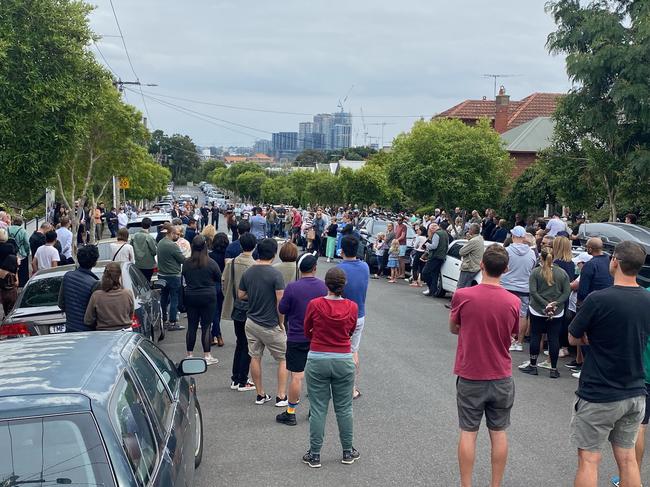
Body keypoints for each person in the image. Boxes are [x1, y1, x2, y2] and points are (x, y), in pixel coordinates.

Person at [568, 241, 650, 487]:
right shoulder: (647, 300)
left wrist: (589, 337)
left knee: (589, 458)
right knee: (627, 459)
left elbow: (573, 336)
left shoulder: (598, 299)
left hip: (599, 390)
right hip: (635, 390)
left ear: (615, 261)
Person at [450, 244, 519, 487]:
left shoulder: (463, 295)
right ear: (506, 269)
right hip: (501, 374)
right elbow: (514, 334)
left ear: (481, 265)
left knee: (468, 432)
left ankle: (466, 484)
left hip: (471, 373)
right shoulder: (513, 301)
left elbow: (453, 327)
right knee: (498, 432)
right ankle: (495, 484)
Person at [301, 267, 359, 468]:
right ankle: (347, 451)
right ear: (344, 286)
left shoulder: (315, 304)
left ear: (326, 284)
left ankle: (315, 454)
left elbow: (306, 328)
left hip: (317, 357)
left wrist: (316, 339)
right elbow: (350, 331)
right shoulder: (352, 307)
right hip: (343, 358)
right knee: (344, 408)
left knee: (318, 408)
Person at [276, 254, 328, 426]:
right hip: (318, 338)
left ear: (299, 269)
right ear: (314, 268)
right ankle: (314, 411)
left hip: (296, 336)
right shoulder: (323, 287)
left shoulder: (292, 287)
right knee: (317, 377)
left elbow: (282, 308)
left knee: (296, 376)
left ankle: (291, 412)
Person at [238, 238, 288, 406]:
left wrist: (255, 294)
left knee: (255, 356)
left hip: (251, 322)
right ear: (274, 254)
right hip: (270, 323)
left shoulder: (249, 272)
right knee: (283, 358)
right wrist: (281, 323)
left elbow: (241, 295)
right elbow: (280, 302)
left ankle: (260, 394)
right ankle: (281, 396)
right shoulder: (275, 274)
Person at [518, 247, 571, 379]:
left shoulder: (536, 272)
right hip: (556, 311)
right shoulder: (562, 273)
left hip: (537, 309)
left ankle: (533, 365)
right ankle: (553, 368)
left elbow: (533, 292)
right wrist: (555, 304)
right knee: (554, 338)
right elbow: (566, 292)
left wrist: (545, 304)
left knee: (535, 335)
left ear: (541, 258)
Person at [222, 233, 257, 391]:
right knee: (248, 344)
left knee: (239, 342)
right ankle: (242, 379)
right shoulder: (254, 266)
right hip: (250, 307)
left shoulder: (232, 262)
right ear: (254, 246)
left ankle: (235, 378)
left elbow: (225, 281)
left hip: (236, 306)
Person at [337, 235, 369, 400]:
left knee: (336, 349)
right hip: (359, 314)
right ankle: (352, 388)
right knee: (353, 350)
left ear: (341, 250)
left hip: (340, 314)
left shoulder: (338, 269)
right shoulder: (365, 267)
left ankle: (334, 385)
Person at [182, 235, 220, 366]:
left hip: (191, 295)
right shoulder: (211, 263)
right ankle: (207, 355)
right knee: (206, 326)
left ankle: (189, 354)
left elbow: (185, 277)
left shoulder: (186, 263)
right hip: (208, 296)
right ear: (205, 246)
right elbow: (218, 278)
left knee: (191, 326)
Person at [501, 226, 537, 352]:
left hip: (506, 286)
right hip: (524, 288)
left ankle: (506, 338)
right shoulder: (532, 253)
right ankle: (519, 342)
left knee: (505, 313)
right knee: (522, 315)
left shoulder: (506, 251)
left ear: (513, 236)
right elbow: (532, 269)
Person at [58, 245, 100, 332]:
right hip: (88, 332)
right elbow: (97, 312)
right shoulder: (95, 283)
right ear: (95, 263)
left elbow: (61, 304)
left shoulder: (67, 277)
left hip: (70, 330)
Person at [84, 262, 134, 331]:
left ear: (104, 275)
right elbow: (131, 315)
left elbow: (88, 321)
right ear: (119, 276)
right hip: (125, 334)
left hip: (104, 336)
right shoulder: (128, 293)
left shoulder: (96, 296)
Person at [157, 222, 186, 331]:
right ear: (171, 233)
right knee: (174, 299)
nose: (178, 236)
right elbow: (182, 259)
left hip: (161, 275)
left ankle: (163, 319)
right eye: (177, 234)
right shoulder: (172, 246)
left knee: (164, 298)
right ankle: (173, 321)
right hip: (173, 276)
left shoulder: (160, 243)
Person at [577, 237, 613, 304]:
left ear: (590, 249)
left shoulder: (590, 265)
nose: (586, 248)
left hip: (594, 302)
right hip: (609, 300)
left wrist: (579, 303)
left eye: (586, 246)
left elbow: (583, 290)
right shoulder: (610, 261)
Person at [208, 232, 229, 347]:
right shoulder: (227, 256)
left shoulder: (210, 256)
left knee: (214, 312)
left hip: (212, 284)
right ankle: (217, 334)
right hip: (223, 284)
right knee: (218, 311)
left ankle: (215, 335)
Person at [422, 222, 449, 297]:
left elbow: (434, 246)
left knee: (425, 272)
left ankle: (431, 288)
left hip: (434, 256)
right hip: (441, 257)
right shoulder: (445, 233)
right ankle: (433, 291)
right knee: (435, 274)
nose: (430, 231)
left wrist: (427, 245)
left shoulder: (436, 234)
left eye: (430, 230)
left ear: (433, 228)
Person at [457, 223, 484, 289]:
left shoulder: (473, 241)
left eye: (469, 229)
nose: (468, 230)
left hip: (469, 267)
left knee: (461, 286)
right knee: (467, 286)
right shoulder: (480, 238)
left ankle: (457, 298)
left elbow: (461, 252)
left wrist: (469, 240)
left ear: (472, 230)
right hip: (476, 267)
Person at [130, 217, 157, 282]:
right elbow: (154, 251)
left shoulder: (134, 236)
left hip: (137, 264)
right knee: (147, 282)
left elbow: (131, 247)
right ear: (150, 226)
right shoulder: (149, 237)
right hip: (148, 264)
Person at [0, 228, 18, 315]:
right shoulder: (10, 247)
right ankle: (8, 313)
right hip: (10, 274)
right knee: (10, 294)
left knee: (3, 293)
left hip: (1, 273)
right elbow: (15, 262)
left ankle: (5, 310)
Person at [8, 216, 29, 286]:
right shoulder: (23, 231)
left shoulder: (8, 229)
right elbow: (26, 243)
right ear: (21, 222)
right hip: (21, 253)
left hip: (10, 253)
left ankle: (12, 282)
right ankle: (21, 284)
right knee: (22, 271)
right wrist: (27, 252)